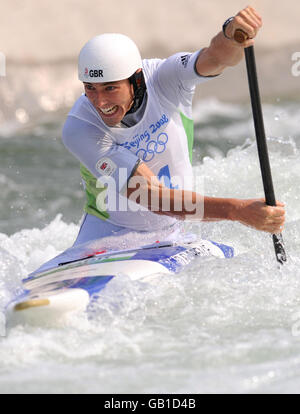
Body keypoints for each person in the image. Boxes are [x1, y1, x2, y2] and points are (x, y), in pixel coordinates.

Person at [32, 6, 285, 274]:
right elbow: (150, 197)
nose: (99, 102)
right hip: (105, 237)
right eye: (90, 89)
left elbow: (215, 58)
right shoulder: (79, 127)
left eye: (110, 88)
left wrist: (232, 36)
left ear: (136, 80)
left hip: (173, 233)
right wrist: (238, 210)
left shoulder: (165, 78)